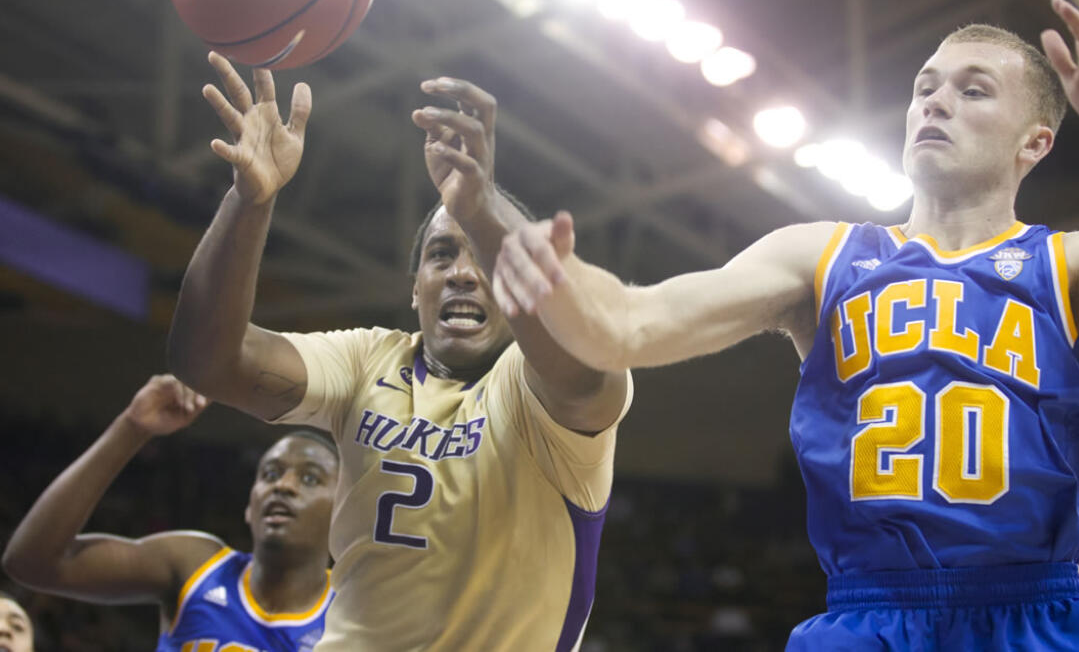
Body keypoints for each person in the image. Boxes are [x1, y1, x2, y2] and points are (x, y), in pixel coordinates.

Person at [489, 0, 1079, 649]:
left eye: (973, 91)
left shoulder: (1070, 264)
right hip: (868, 617)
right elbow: (629, 327)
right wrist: (558, 275)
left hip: (1037, 616)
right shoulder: (822, 254)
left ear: (1034, 142)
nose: (935, 104)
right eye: (924, 89)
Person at [165, 53, 631, 650]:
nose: (463, 273)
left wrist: (479, 206)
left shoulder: (543, 388)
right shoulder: (370, 360)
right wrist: (249, 202)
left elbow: (587, 361)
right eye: (441, 255)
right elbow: (206, 361)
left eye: (483, 258)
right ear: (415, 290)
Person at [2, 374, 336, 651]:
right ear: (250, 507)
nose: (284, 486)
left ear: (343, 513)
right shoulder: (195, 564)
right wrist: (132, 427)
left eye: (309, 478)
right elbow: (31, 562)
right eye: (271, 474)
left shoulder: (360, 609)